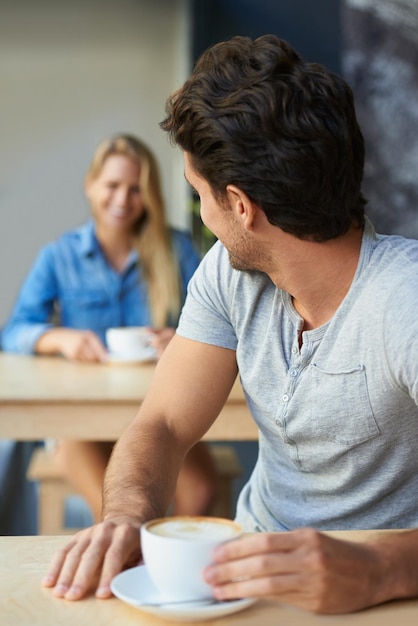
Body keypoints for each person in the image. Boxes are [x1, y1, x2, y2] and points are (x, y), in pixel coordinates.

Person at [41, 35, 418, 614]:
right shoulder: (229, 273)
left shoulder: (404, 299)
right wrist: (126, 516)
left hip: (382, 599)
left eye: (199, 196)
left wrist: (380, 570)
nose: (202, 218)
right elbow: (164, 421)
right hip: (244, 587)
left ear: (240, 205)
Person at [1, 133, 218, 523]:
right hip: (78, 416)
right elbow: (14, 331)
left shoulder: (176, 249)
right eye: (112, 186)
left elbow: (214, 319)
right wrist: (58, 338)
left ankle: (165, 570)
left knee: (200, 493)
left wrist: (182, 338)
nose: (122, 200)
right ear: (91, 185)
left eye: (135, 189)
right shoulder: (60, 256)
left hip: (155, 409)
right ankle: (131, 569)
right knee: (118, 510)